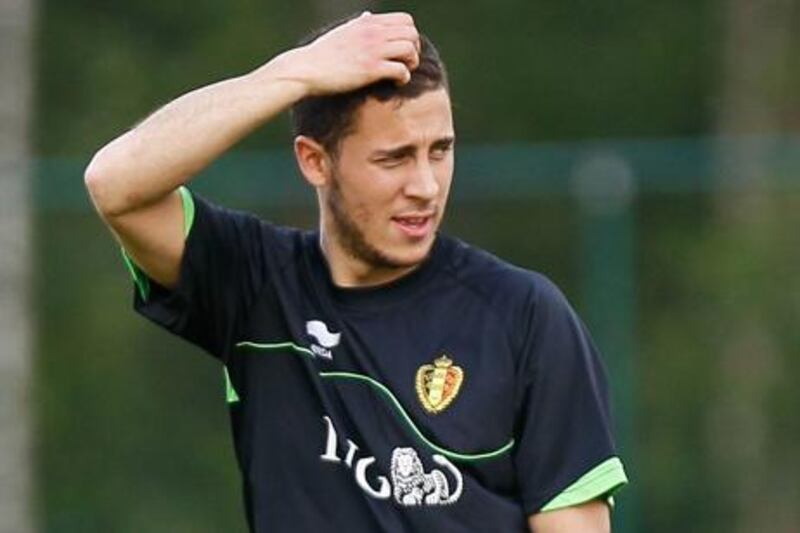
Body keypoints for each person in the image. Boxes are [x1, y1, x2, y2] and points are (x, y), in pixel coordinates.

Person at [84, 11, 627, 533]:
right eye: (393, 159)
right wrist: (294, 72)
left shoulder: (524, 315)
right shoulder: (255, 285)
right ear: (314, 161)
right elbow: (116, 184)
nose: (426, 186)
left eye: (439, 151)